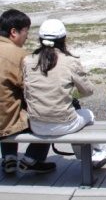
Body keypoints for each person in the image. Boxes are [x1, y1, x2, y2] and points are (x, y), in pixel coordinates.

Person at [23, 19, 106, 169]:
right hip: (63, 123)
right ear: (64, 39)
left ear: (40, 39)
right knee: (88, 114)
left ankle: (32, 158)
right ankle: (96, 153)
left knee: (54, 112)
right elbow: (87, 91)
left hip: (35, 123)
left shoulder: (27, 60)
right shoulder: (69, 61)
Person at [0, 9, 55, 174]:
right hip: (6, 122)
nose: (27, 36)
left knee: (8, 99)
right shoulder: (19, 56)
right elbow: (33, 89)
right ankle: (32, 158)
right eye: (26, 31)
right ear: (14, 32)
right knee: (48, 115)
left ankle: (9, 157)